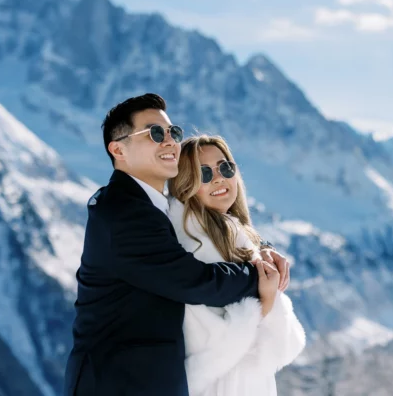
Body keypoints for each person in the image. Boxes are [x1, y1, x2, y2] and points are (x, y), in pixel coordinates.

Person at [63, 93, 289, 396]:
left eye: (173, 132)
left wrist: (260, 247)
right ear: (119, 150)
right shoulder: (123, 211)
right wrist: (256, 274)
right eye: (155, 133)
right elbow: (191, 280)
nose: (170, 141)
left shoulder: (153, 207)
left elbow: (218, 223)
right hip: (118, 382)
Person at [167, 135, 306, 395]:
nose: (219, 178)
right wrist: (266, 302)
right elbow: (214, 341)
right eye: (204, 173)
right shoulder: (193, 244)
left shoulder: (229, 231)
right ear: (185, 184)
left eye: (225, 167)